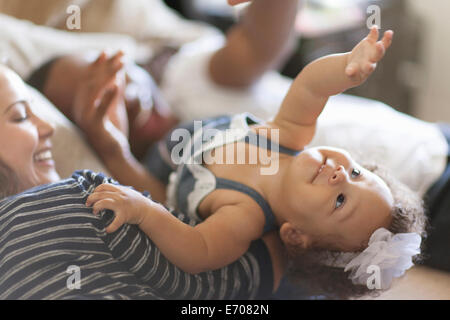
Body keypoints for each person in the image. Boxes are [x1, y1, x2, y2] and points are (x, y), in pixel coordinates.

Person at [85, 27, 426, 298]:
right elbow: (310, 86)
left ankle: (111, 141)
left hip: (164, 177)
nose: (340, 176)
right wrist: (346, 69)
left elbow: (195, 250)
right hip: (180, 134)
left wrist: (144, 210)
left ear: (295, 235)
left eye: (340, 201)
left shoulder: (243, 215)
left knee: (133, 167)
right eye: (356, 172)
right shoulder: (289, 134)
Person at [0, 63, 282, 300]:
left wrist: (115, 154)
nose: (49, 127)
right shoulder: (83, 201)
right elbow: (245, 274)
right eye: (20, 116)